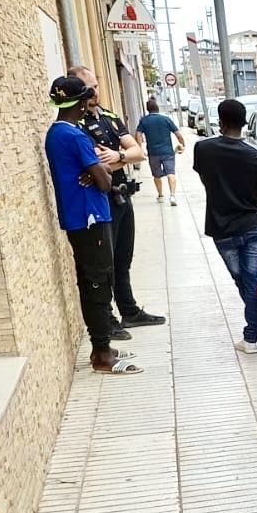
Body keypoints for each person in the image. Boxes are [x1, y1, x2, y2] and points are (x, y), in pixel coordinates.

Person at [44, 76, 142, 375]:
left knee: (94, 281)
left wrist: (97, 171)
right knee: (98, 283)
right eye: (87, 97)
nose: (90, 102)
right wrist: (100, 172)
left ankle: (103, 347)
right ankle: (102, 354)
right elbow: (104, 181)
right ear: (78, 102)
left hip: (81, 218)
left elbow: (98, 174)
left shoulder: (56, 134)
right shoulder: (74, 137)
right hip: (89, 219)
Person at [71, 65, 167, 333]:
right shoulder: (77, 124)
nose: (94, 93)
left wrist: (119, 157)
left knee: (123, 258)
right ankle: (108, 319)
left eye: (96, 86)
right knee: (105, 263)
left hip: (123, 196)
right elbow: (94, 165)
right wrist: (117, 158)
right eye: (88, 88)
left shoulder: (109, 117)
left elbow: (138, 152)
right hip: (100, 199)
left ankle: (129, 309)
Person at [193, 98, 257, 354]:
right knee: (250, 283)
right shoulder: (254, 155)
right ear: (244, 124)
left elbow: (205, 178)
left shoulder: (203, 149)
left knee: (244, 282)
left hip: (222, 229)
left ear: (220, 122)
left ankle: (250, 338)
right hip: (251, 226)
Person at [134, 97, 185, 205]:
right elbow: (178, 134)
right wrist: (182, 144)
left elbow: (138, 134)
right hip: (168, 152)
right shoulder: (166, 119)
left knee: (156, 175)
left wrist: (139, 149)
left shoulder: (144, 121)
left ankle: (161, 195)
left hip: (153, 153)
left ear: (148, 109)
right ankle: (172, 196)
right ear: (157, 108)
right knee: (171, 173)